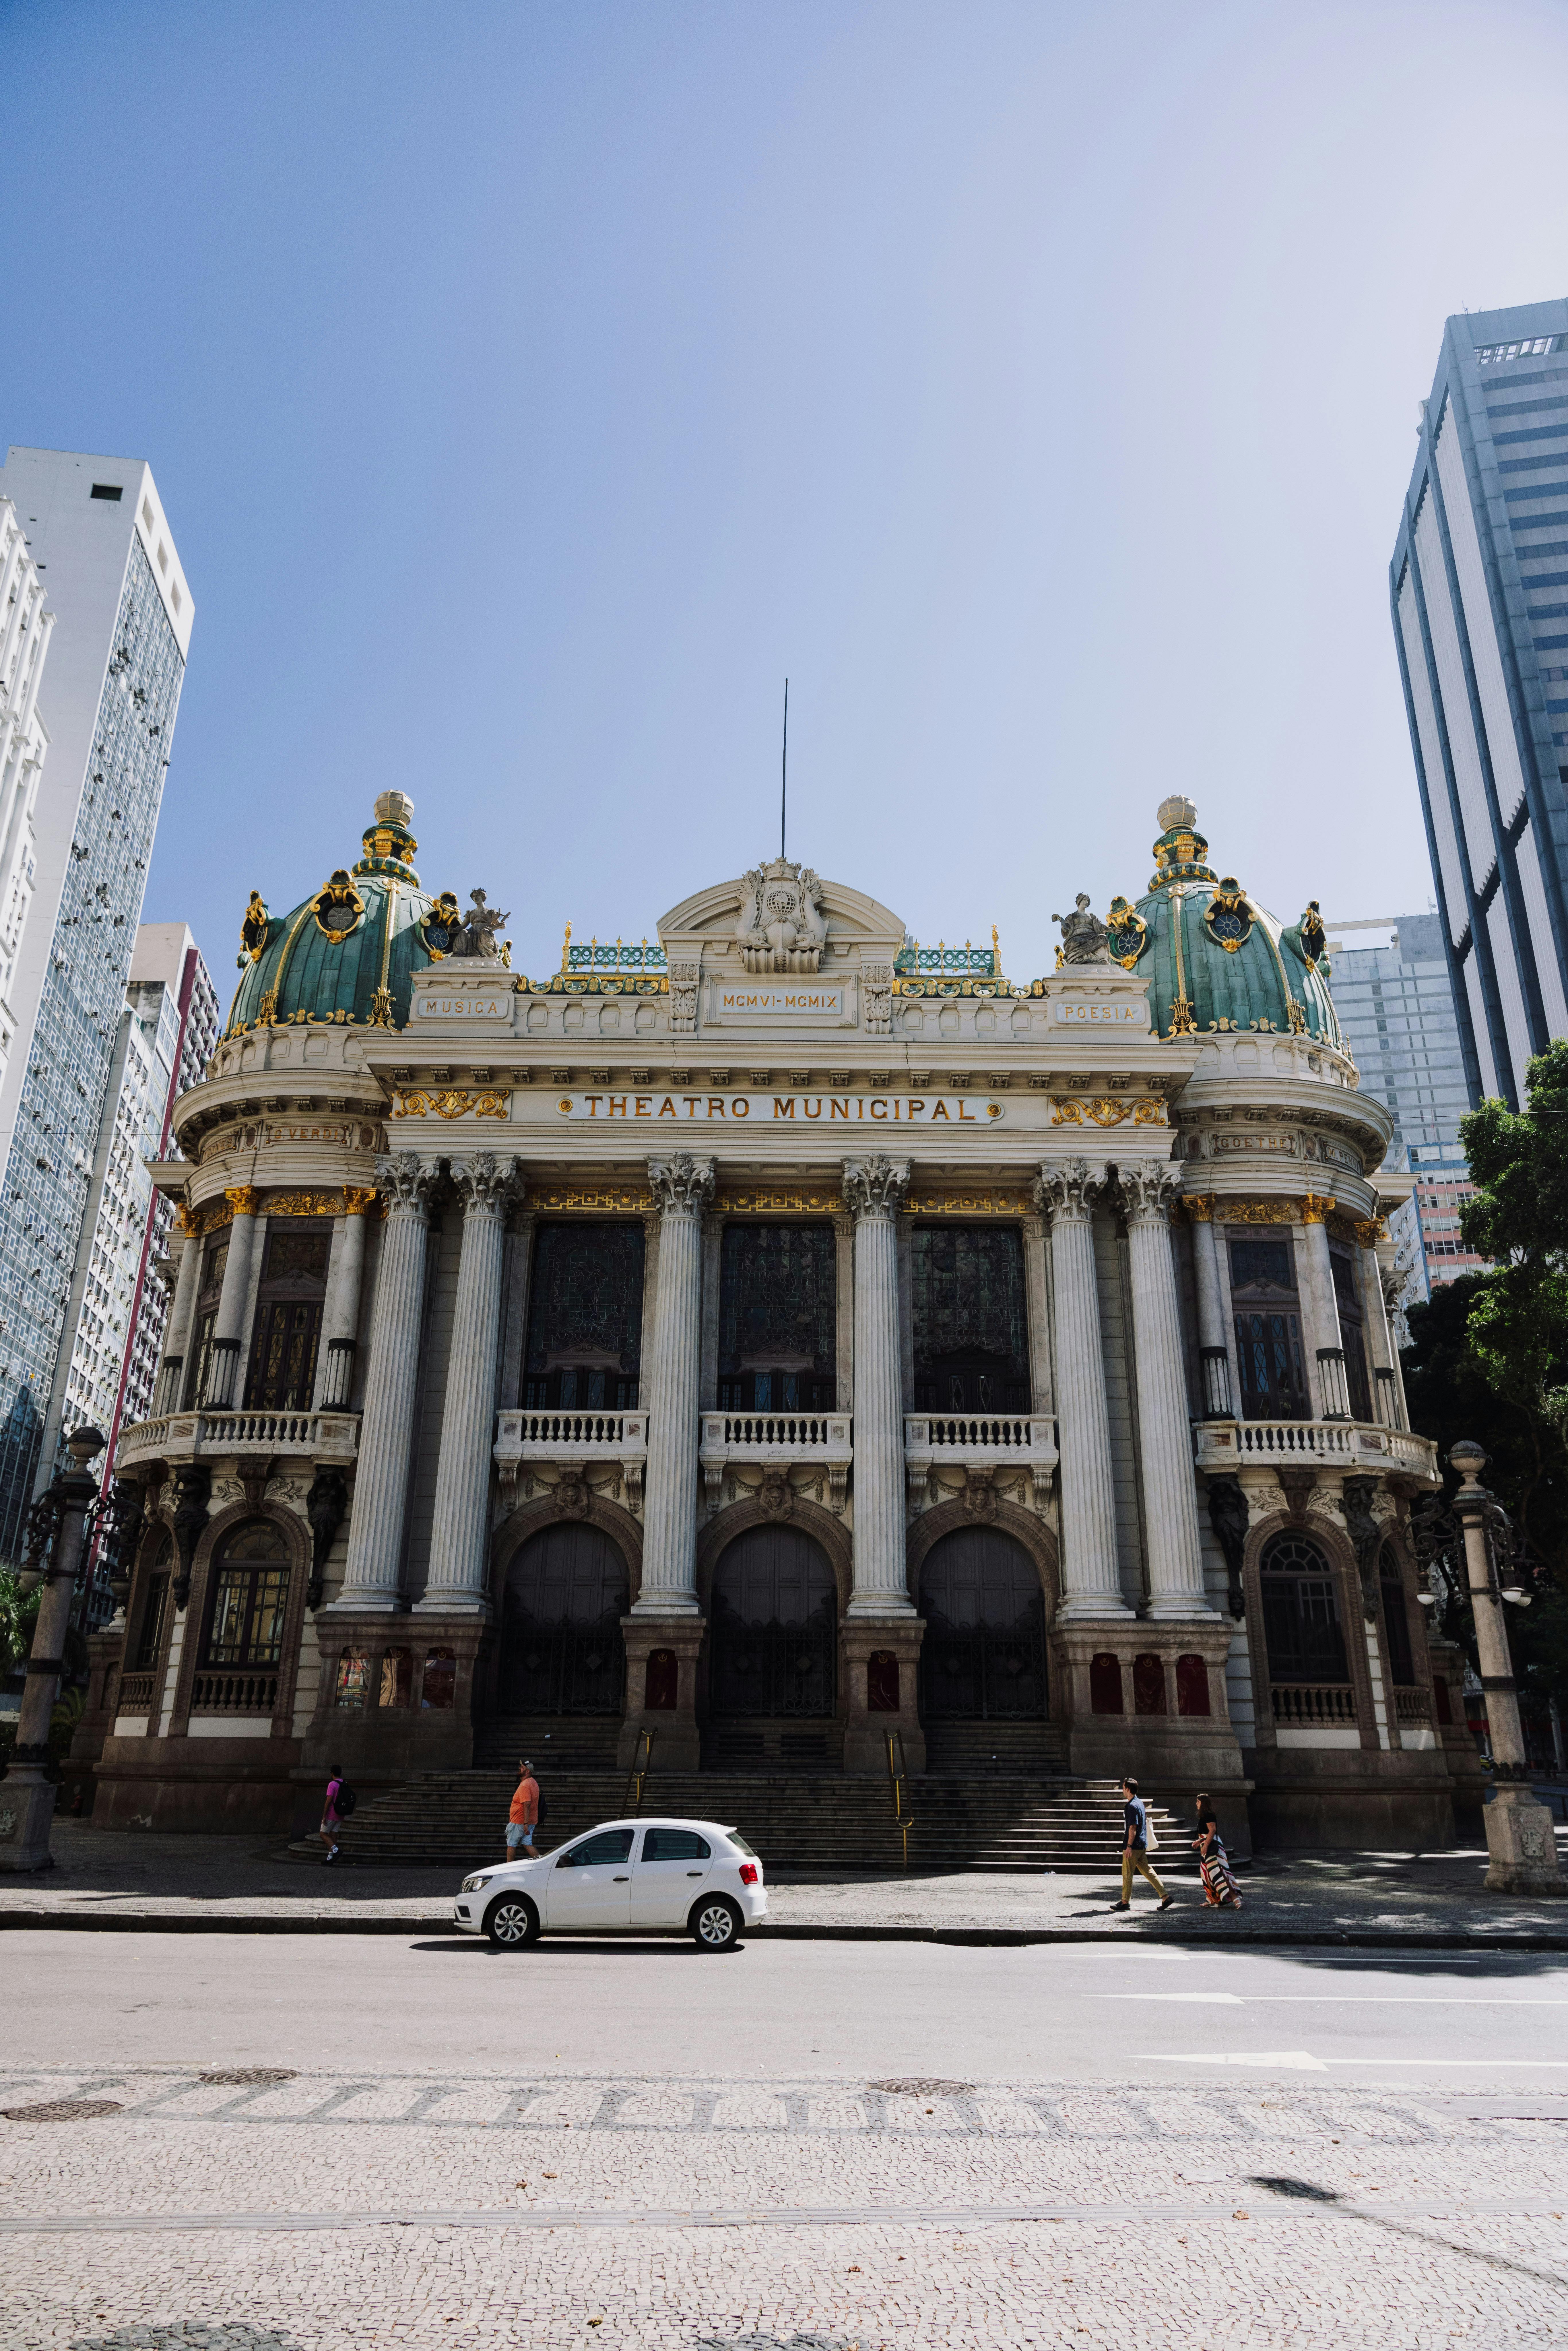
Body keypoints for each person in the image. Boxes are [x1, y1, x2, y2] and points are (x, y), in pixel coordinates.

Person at [1111, 1775, 1172, 1912]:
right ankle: (1165, 1897)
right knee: (1148, 1871)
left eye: (1123, 1788)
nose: (1122, 1790)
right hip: (1142, 1844)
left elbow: (1133, 1827)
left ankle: (1125, 1902)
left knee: (1127, 1873)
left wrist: (1129, 1846)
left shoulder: (1132, 1806)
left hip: (1134, 1846)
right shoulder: (1139, 1803)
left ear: (1128, 1789)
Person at [1193, 1791, 1243, 1909]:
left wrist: (1205, 1845)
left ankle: (1235, 1898)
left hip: (1211, 1849)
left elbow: (1213, 1831)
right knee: (1207, 1875)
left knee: (1218, 1874)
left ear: (1203, 1803)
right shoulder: (1204, 1815)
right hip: (1207, 1846)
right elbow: (1207, 1833)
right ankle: (1211, 1899)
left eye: (1198, 1802)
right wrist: (1200, 1842)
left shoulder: (1209, 1815)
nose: (1196, 1804)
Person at [506, 1759, 539, 1862]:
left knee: (512, 1844)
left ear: (528, 1771)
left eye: (523, 1768)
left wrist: (525, 1823)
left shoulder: (525, 1785)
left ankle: (508, 1868)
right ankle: (540, 1862)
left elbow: (527, 1804)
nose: (520, 1768)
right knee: (527, 1843)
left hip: (520, 1821)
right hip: (530, 1820)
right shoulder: (533, 1782)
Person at [320, 1764, 344, 1865]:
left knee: (323, 1834)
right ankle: (330, 1858)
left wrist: (324, 1815)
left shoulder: (332, 1784)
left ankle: (336, 1850)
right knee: (333, 1834)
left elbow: (329, 1800)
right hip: (341, 1813)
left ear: (332, 1773)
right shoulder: (344, 1783)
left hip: (332, 1813)